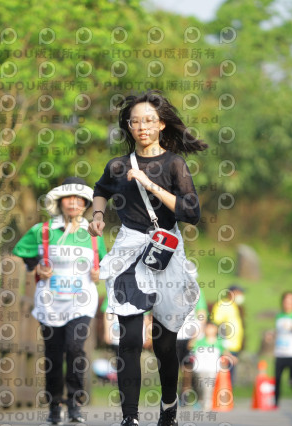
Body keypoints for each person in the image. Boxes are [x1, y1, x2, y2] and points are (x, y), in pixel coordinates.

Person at [88, 90, 208, 426]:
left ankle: (169, 409)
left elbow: (192, 212)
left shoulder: (174, 164)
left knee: (164, 344)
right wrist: (97, 216)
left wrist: (149, 184)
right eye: (136, 121)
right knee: (128, 340)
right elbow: (101, 189)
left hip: (165, 250)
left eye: (149, 121)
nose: (142, 127)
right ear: (129, 126)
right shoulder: (118, 165)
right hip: (129, 252)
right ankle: (130, 418)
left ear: (161, 124)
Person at [12, 177, 107, 425]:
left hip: (81, 302)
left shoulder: (93, 233)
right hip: (50, 302)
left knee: (75, 348)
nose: (73, 203)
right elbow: (22, 254)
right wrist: (37, 268)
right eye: (69, 198)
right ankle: (55, 405)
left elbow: (105, 264)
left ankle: (74, 402)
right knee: (53, 354)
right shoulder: (42, 231)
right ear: (60, 201)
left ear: (86, 204)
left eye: (79, 199)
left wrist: (99, 273)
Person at [189, 321, 237, 411]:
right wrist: (195, 336)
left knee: (209, 386)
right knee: (200, 386)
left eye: (212, 328)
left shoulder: (219, 341)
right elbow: (190, 346)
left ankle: (208, 402)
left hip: (212, 368)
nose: (210, 330)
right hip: (200, 368)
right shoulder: (200, 341)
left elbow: (225, 351)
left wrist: (232, 358)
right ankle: (201, 400)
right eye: (208, 328)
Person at [176, 290, 208, 406]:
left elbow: (202, 313)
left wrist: (196, 336)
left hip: (189, 337)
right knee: (173, 367)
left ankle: (185, 394)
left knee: (187, 368)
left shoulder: (195, 291)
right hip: (174, 335)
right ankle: (171, 396)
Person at [211, 284, 245, 388]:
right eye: (239, 293)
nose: (241, 296)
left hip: (234, 347)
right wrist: (224, 345)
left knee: (230, 377)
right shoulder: (223, 305)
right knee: (222, 376)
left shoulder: (234, 306)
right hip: (225, 347)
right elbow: (217, 325)